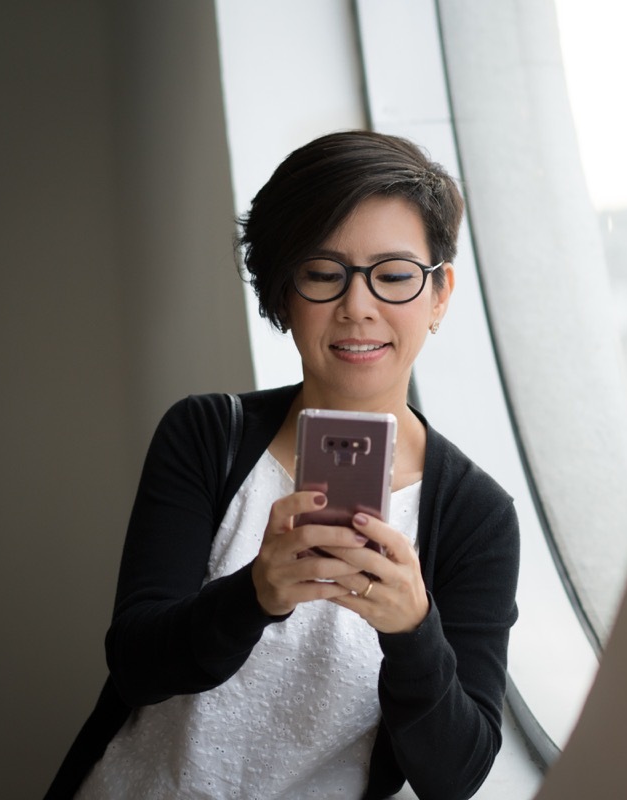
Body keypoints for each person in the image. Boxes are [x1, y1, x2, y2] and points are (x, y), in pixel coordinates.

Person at [46, 130, 520, 799]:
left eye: (393, 275)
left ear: (439, 293)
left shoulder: (475, 516)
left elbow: (455, 776)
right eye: (324, 274)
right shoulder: (207, 435)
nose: (358, 307)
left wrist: (414, 630)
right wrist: (254, 595)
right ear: (283, 292)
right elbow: (135, 664)